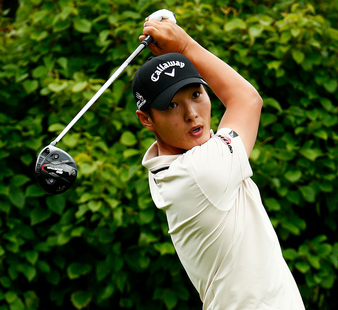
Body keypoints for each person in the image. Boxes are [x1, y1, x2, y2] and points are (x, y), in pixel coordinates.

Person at [131, 10, 305, 310]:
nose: (191, 114)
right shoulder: (202, 171)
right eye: (172, 104)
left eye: (196, 94)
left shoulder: (166, 164)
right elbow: (247, 99)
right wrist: (184, 47)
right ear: (146, 119)